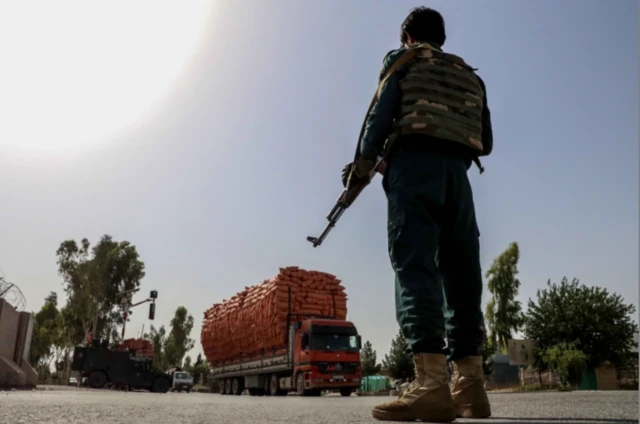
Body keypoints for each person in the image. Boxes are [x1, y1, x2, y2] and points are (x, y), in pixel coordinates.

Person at [343, 7, 494, 422]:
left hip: (414, 170)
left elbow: (379, 115)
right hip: (458, 178)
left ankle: (430, 386)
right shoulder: (469, 72)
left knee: (415, 268)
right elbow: (487, 139)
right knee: (463, 275)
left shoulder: (404, 59)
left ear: (406, 35)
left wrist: (360, 168)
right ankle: (471, 388)